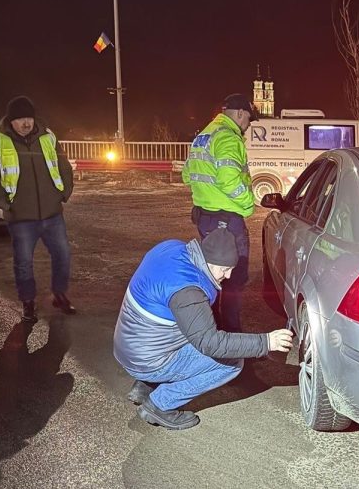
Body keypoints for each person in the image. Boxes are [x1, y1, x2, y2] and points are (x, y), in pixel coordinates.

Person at [113, 227, 293, 430]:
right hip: (147, 360)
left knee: (191, 328)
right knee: (231, 363)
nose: (229, 275)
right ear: (208, 261)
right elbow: (210, 343)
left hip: (130, 345)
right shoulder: (189, 292)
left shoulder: (171, 248)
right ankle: (159, 404)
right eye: (224, 269)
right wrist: (266, 342)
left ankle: (145, 385)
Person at [0, 95, 76, 324]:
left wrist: (64, 193)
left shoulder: (48, 137)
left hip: (52, 213)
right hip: (21, 217)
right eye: (20, 119)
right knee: (23, 262)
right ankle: (28, 302)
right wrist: (5, 203)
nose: (26, 123)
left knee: (63, 254)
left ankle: (59, 294)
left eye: (29, 118)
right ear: (10, 121)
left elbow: (64, 167)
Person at [182, 93, 258, 333]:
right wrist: (249, 203)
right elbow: (229, 180)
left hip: (205, 218)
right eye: (249, 118)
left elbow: (187, 175)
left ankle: (210, 329)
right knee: (234, 279)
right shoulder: (228, 137)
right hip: (227, 220)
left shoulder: (204, 135)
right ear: (239, 114)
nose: (248, 125)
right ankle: (231, 337)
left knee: (211, 275)